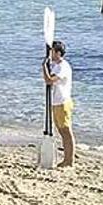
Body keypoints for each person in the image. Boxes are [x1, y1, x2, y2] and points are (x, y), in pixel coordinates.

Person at [43, 40, 75, 168]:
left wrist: (44, 66)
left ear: (57, 53)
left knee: (66, 131)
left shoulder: (63, 66)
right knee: (62, 131)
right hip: (56, 102)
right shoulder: (56, 65)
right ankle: (67, 158)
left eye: (52, 51)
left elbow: (49, 80)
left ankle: (69, 160)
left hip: (62, 102)